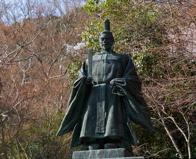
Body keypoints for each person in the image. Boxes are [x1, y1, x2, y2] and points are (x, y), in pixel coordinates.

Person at [57, 19, 155, 152]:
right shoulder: (89, 61)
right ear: (99, 41)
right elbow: (80, 78)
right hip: (93, 94)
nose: (105, 42)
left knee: (113, 118)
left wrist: (121, 82)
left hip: (113, 94)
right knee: (91, 119)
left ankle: (113, 140)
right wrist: (84, 82)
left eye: (107, 40)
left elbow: (133, 79)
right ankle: (92, 140)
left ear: (112, 41)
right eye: (102, 40)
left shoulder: (123, 59)